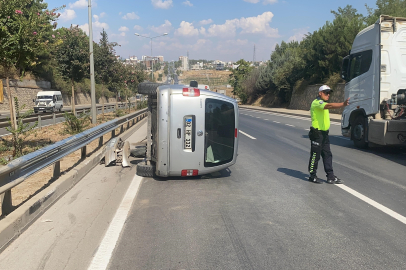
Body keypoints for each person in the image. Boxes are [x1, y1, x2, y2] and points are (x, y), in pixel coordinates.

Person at [308, 85, 350, 184]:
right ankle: (312, 176)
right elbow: (329, 106)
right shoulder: (317, 103)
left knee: (327, 155)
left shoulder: (323, 103)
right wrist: (343, 104)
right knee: (315, 155)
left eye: (329, 93)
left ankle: (330, 176)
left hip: (324, 134)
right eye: (326, 92)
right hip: (317, 134)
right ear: (320, 93)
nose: (328, 95)